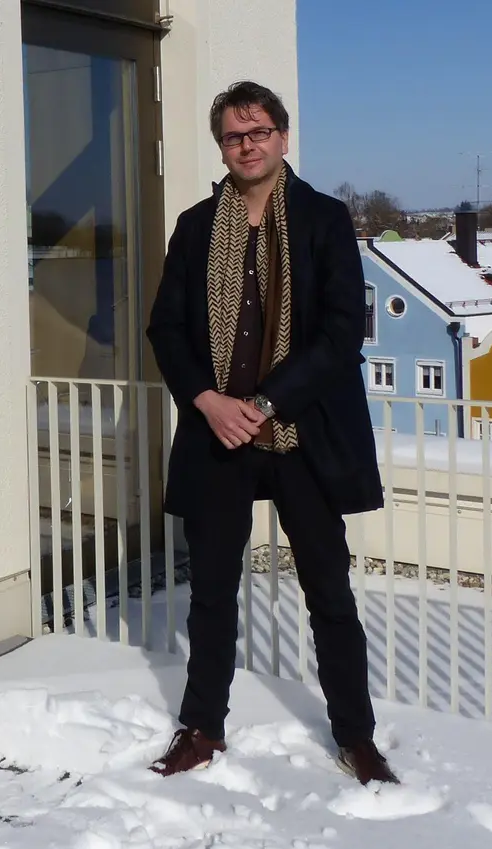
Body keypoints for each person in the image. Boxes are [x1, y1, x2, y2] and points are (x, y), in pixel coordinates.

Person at [145, 83, 396, 785]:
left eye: (257, 131)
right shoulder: (197, 226)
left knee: (329, 593)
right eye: (233, 135)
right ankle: (201, 726)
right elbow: (165, 328)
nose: (246, 144)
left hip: (301, 435)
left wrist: (262, 401)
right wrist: (207, 400)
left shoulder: (324, 219)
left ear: (283, 137)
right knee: (212, 593)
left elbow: (343, 332)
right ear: (221, 146)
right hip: (217, 435)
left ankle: (356, 736)